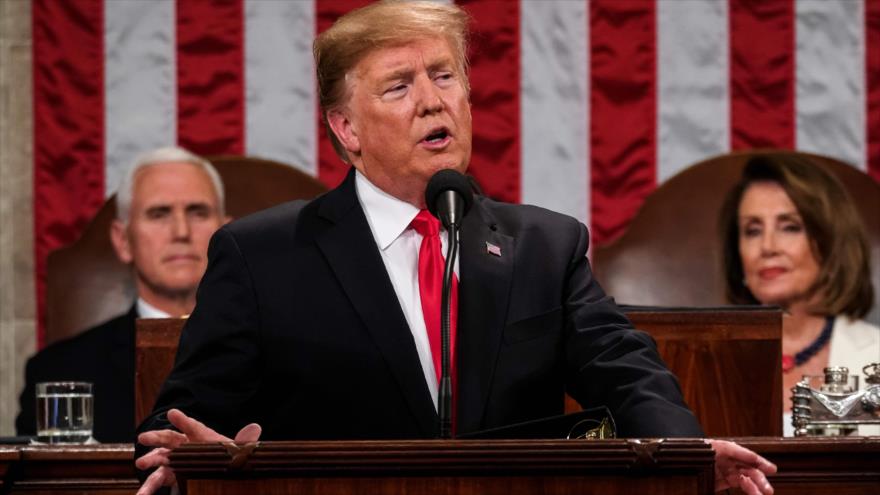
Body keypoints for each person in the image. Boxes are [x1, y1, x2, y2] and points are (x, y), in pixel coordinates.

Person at [135, 2, 776, 494]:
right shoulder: (262, 256)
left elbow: (628, 373)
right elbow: (180, 424)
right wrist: (201, 453)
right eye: (399, 86)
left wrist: (687, 458)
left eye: (444, 76)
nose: (432, 100)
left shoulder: (545, 247)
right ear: (346, 128)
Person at [16, 146, 228, 443]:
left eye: (198, 212)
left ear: (226, 234)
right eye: (159, 213)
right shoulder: (59, 371)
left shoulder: (280, 355)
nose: (181, 231)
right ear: (122, 240)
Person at [720, 153, 880, 436]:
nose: (767, 247)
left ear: (830, 243)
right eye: (752, 230)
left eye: (790, 227)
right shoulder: (707, 363)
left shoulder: (875, 352)